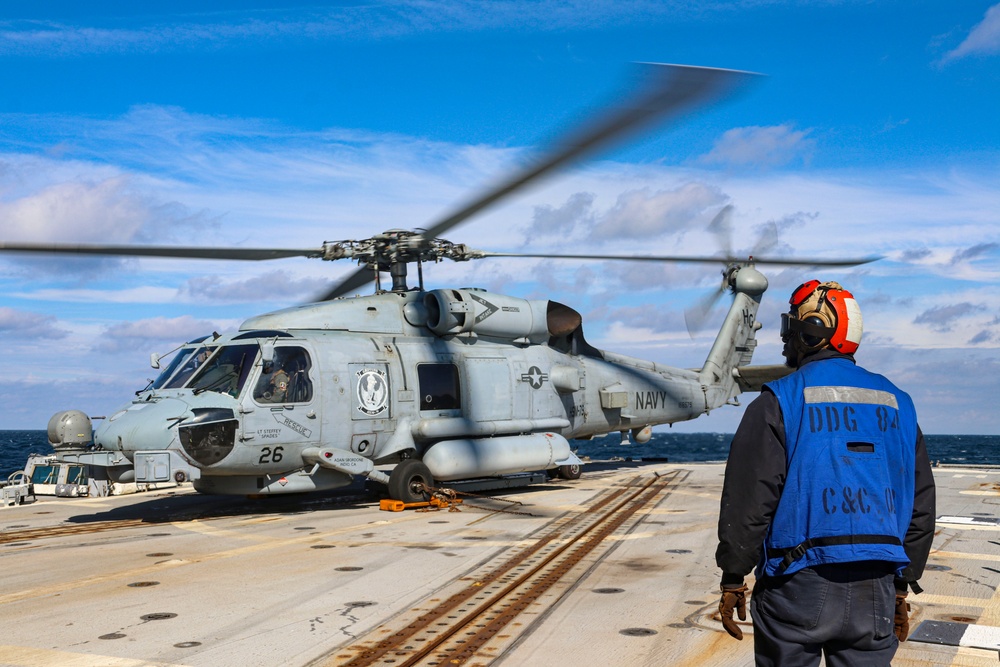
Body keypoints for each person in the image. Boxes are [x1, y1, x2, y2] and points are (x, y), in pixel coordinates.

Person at [715, 280, 936, 666]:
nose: (784, 340)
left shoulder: (778, 400)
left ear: (812, 330)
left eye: (789, 328)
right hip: (877, 587)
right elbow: (919, 504)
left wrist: (734, 575)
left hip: (797, 584)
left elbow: (750, 499)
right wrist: (901, 585)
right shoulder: (899, 403)